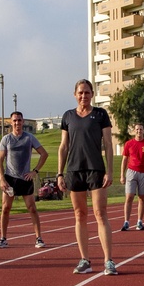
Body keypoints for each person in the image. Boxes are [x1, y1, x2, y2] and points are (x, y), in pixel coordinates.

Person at [57, 79, 118, 275]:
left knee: (100, 214)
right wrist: (60, 173)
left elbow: (108, 144)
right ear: (75, 94)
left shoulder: (101, 114)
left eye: (87, 92)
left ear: (92, 94)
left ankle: (108, 260)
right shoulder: (68, 116)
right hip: (74, 170)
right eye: (80, 92)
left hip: (96, 170)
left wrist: (109, 170)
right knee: (79, 215)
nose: (84, 96)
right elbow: (64, 146)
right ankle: (85, 260)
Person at [0, 111, 48, 249]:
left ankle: (38, 238)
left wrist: (35, 171)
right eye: (14, 121)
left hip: (25, 178)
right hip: (10, 179)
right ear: (10, 122)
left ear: (23, 122)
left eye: (19, 120)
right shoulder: (6, 139)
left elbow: (44, 154)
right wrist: (2, 179)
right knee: (6, 208)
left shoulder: (29, 138)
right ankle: (3, 238)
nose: (17, 123)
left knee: (32, 208)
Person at [119, 123, 144, 231]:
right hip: (131, 171)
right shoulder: (129, 144)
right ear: (134, 131)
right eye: (137, 129)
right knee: (129, 197)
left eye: (141, 129)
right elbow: (124, 159)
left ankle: (139, 221)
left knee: (142, 197)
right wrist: (122, 175)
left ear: (143, 131)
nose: (139, 131)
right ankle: (126, 222)